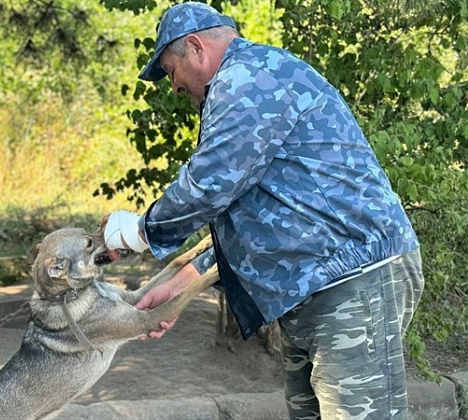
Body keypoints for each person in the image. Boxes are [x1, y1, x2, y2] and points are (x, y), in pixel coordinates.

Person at [101, 2, 424, 419]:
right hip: (315, 286)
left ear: (196, 47)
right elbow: (253, 218)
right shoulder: (245, 83)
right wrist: (181, 285)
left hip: (352, 282)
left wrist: (136, 232)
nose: (173, 87)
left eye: (170, 72)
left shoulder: (250, 79)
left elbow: (210, 182)